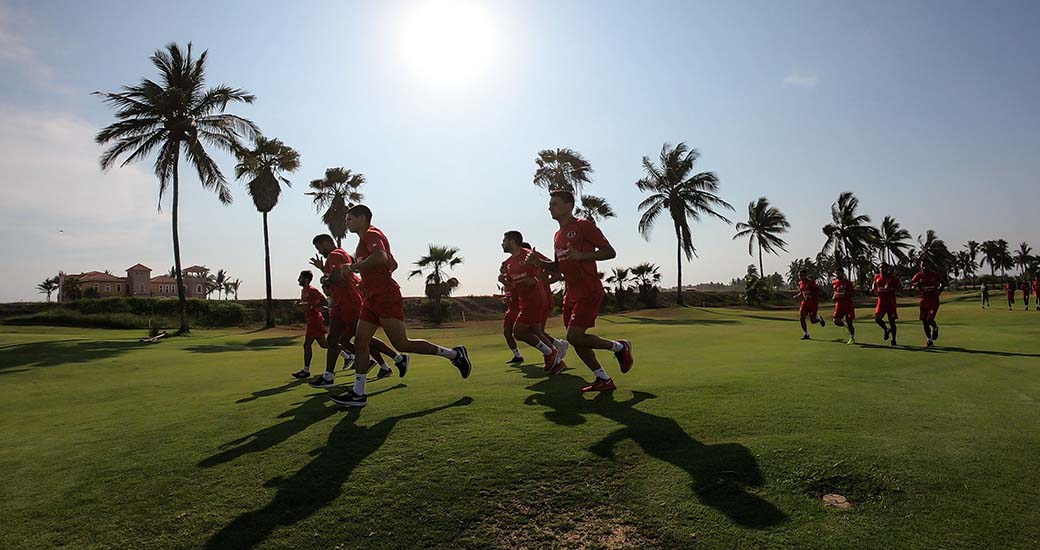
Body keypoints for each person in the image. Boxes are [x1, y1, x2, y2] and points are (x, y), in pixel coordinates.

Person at [330, 205, 473, 408]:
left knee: (402, 344)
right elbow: (392, 263)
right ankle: (358, 394)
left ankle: (455, 354)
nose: (347, 222)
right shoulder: (365, 240)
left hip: (385, 296)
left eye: (350, 218)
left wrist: (354, 267)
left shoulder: (371, 234)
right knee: (361, 342)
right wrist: (369, 279)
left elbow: (381, 257)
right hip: (371, 298)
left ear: (363, 218)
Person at [528, 190, 633, 393]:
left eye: (555, 204)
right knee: (576, 340)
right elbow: (558, 267)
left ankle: (620, 347)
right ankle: (603, 379)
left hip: (589, 290)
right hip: (571, 293)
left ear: (568, 206)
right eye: (550, 204)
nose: (550, 207)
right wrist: (538, 262)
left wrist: (583, 256)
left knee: (574, 336)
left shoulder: (583, 226)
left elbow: (610, 252)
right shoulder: (557, 235)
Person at [307, 235, 408, 390]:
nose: (319, 251)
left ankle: (397, 358)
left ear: (326, 243)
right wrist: (323, 270)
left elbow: (337, 277)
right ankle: (329, 376)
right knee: (334, 339)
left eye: (319, 247)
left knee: (361, 338)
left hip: (349, 303)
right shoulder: (338, 255)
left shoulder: (335, 255)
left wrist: (324, 279)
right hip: (341, 303)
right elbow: (344, 275)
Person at [502, 231, 567, 374]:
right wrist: (504, 282)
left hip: (536, 298)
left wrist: (537, 281)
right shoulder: (508, 264)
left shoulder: (529, 254)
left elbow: (555, 270)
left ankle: (551, 353)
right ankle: (556, 361)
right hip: (523, 302)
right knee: (534, 331)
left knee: (518, 332)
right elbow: (513, 285)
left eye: (504, 240)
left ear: (512, 241)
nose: (502, 243)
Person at [292, 270, 330, 379]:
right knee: (324, 345)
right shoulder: (303, 291)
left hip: (315, 321)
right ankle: (348, 355)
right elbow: (307, 305)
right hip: (311, 321)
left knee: (307, 345)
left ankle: (306, 370)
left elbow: (324, 301)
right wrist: (300, 305)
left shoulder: (312, 290)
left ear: (306, 279)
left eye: (300, 277)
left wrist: (313, 306)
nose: (298, 280)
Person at [910, 259, 944, 347]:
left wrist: (939, 291)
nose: (924, 267)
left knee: (930, 319)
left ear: (929, 266)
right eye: (922, 266)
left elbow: (942, 283)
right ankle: (929, 340)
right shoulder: (918, 275)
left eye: (926, 265)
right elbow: (912, 286)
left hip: (933, 300)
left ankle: (935, 328)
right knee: (924, 321)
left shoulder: (935, 274)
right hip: (924, 300)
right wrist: (916, 285)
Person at [498, 261, 524, 364]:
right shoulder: (505, 285)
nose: (502, 271)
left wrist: (504, 282)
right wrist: (503, 298)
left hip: (519, 310)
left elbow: (517, 290)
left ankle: (550, 349)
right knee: (507, 333)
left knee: (526, 333)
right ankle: (517, 356)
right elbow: (510, 295)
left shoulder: (514, 279)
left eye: (503, 269)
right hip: (510, 311)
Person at [871, 262, 901, 346]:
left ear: (887, 268)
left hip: (890, 302)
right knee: (877, 318)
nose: (881, 269)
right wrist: (873, 289)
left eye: (883, 267)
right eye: (880, 267)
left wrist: (891, 288)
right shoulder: (877, 276)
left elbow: (898, 287)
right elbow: (874, 284)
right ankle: (886, 329)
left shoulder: (892, 277)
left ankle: (894, 339)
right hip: (881, 301)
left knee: (892, 321)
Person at [793, 269, 825, 340]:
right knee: (801, 317)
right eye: (799, 275)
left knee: (813, 321)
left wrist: (811, 295)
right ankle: (806, 334)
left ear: (805, 275)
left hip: (813, 303)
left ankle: (819, 319)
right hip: (804, 303)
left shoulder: (811, 282)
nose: (800, 277)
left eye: (801, 275)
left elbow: (817, 290)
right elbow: (802, 292)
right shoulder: (800, 283)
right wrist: (796, 296)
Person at [831, 269, 856, 345]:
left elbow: (852, 294)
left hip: (848, 305)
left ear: (842, 273)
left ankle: (852, 337)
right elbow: (835, 292)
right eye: (836, 273)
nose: (838, 275)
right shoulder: (834, 282)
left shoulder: (847, 283)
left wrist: (846, 293)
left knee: (850, 322)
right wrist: (834, 297)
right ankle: (845, 326)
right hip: (839, 305)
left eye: (839, 273)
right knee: (836, 321)